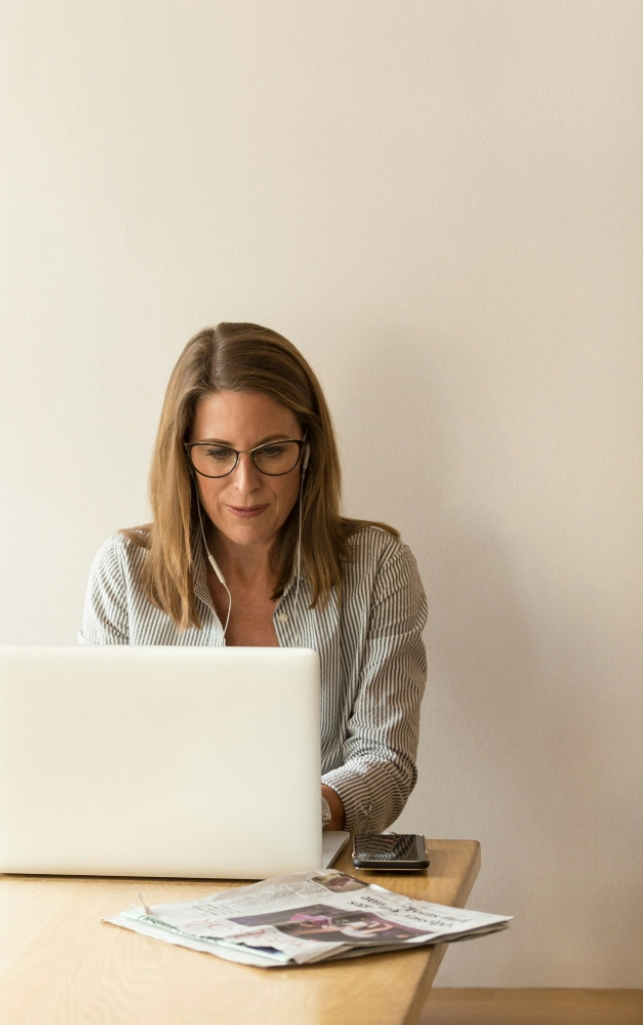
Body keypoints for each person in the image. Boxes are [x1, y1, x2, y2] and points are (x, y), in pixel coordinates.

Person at [78, 322, 427, 835]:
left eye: (271, 451)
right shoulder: (124, 570)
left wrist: (292, 815)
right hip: (157, 862)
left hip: (316, 872)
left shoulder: (378, 567)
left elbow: (387, 762)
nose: (246, 485)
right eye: (218, 454)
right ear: (184, 456)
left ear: (307, 449)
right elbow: (96, 758)